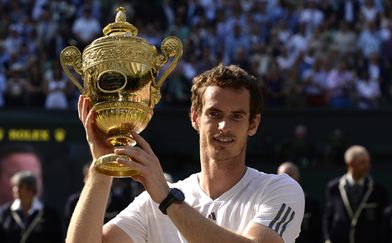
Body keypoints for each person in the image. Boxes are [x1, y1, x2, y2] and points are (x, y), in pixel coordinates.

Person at [66, 64, 305, 243]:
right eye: (214, 113)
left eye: (237, 116)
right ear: (194, 117)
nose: (224, 126)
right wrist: (102, 166)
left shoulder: (279, 189)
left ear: (253, 124)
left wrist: (168, 199)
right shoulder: (153, 201)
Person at [324, 145, 389, 243]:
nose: (367, 166)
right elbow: (329, 217)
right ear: (350, 164)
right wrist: (328, 239)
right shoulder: (333, 187)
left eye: (368, 162)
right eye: (362, 162)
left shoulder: (379, 190)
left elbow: (384, 223)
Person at [0, 171, 63, 243]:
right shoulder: (5, 212)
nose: (16, 190)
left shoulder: (50, 214)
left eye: (20, 186)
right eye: (14, 186)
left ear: (31, 189)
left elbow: (56, 239)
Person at [277, 161, 322, 243]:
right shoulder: (270, 202)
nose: (287, 178)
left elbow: (317, 233)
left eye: (290, 175)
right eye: (284, 175)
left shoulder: (312, 204)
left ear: (298, 177)